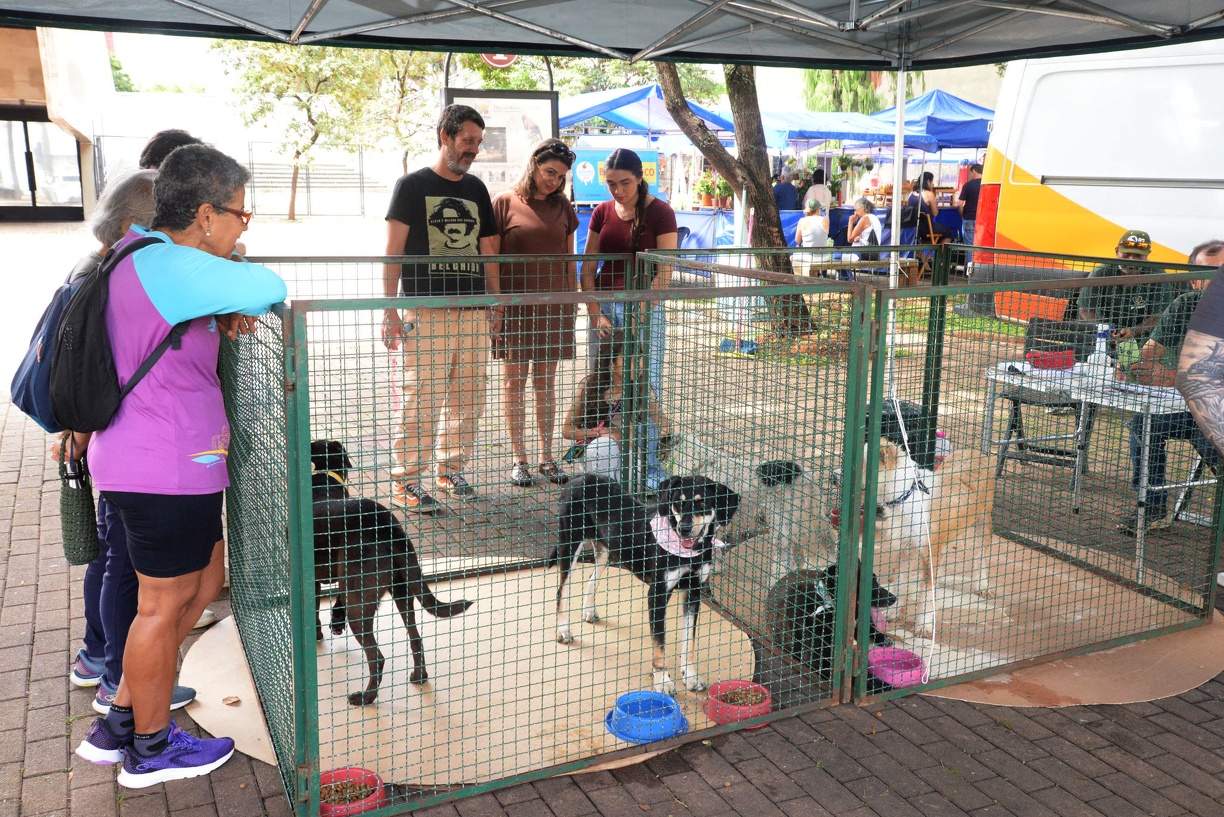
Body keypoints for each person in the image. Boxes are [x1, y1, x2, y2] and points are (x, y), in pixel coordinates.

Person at [72, 144, 287, 788]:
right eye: (240, 216)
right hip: (162, 466)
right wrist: (233, 276)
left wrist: (219, 305)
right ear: (205, 214)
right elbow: (270, 287)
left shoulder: (139, 255)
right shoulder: (168, 263)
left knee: (202, 580)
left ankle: (120, 722)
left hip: (155, 461)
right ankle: (149, 747)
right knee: (161, 607)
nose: (241, 230)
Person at [59, 170, 200, 718]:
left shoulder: (97, 268)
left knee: (114, 557)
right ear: (134, 228)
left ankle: (99, 658)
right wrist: (78, 429)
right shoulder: (125, 273)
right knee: (128, 573)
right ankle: (122, 683)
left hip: (110, 447)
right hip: (136, 455)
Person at [382, 104, 500, 513]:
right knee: (423, 399)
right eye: (467, 140)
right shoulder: (411, 186)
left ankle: (450, 470)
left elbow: (488, 251)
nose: (473, 149)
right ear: (444, 137)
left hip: (474, 312)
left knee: (470, 396)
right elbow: (393, 252)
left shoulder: (477, 189)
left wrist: (495, 303)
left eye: (478, 142)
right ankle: (406, 481)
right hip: (427, 311)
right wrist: (389, 310)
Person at [1116, 241, 1224, 535]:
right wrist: (1131, 365)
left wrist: (1173, 376)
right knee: (1144, 424)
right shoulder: (1186, 305)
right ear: (1193, 280)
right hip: (1191, 408)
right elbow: (1149, 353)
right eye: (1209, 273)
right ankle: (1152, 508)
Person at [490, 139, 579, 488]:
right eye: (549, 172)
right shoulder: (504, 202)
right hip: (514, 308)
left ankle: (546, 457)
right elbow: (491, 259)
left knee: (545, 383)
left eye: (560, 176)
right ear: (534, 165)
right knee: (514, 383)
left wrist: (571, 301)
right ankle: (519, 459)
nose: (554, 181)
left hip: (553, 306)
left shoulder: (563, 207)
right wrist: (496, 305)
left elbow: (570, 259)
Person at [582, 148, 678, 401]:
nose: (618, 191)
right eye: (611, 184)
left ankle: (645, 429)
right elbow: (588, 266)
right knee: (601, 379)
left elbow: (665, 271)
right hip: (604, 306)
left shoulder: (662, 212)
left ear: (639, 178)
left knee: (645, 382)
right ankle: (602, 427)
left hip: (645, 306)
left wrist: (639, 316)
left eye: (625, 183)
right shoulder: (601, 211)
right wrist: (595, 313)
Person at [560, 332, 671, 488]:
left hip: (626, 452)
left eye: (639, 357)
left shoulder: (642, 388)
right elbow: (567, 431)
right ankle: (601, 495)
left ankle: (616, 496)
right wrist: (600, 433)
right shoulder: (589, 385)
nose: (639, 363)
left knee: (636, 469)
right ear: (611, 363)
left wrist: (665, 433)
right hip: (596, 450)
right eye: (630, 358)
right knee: (605, 446)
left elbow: (663, 422)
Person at [1079, 229, 1181, 342]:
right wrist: (1105, 332)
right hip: (1101, 335)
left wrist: (1133, 331)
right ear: (1117, 251)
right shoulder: (1100, 273)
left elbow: (1161, 315)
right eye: (1127, 254)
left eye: (1138, 255)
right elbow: (1085, 311)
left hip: (1143, 338)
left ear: (1147, 254)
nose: (1132, 259)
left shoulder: (1158, 275)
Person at [910, 172, 955, 245]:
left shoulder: (911, 194)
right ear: (928, 181)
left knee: (935, 237)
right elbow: (935, 213)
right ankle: (939, 252)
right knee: (949, 234)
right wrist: (935, 204)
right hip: (927, 228)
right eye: (931, 182)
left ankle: (924, 250)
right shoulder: (929, 194)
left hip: (914, 228)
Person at [955, 163, 982, 246]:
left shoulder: (968, 185)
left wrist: (963, 215)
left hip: (969, 217)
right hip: (983, 219)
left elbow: (959, 204)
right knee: (981, 245)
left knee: (969, 246)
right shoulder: (987, 185)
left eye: (971, 173)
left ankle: (970, 256)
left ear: (974, 171)